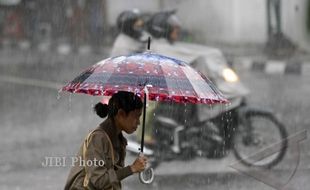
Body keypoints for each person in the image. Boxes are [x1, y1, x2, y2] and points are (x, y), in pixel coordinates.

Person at [64, 91, 148, 190]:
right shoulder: (98, 139)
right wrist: (131, 169)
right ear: (121, 114)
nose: (138, 122)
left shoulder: (120, 141)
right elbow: (99, 181)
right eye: (136, 116)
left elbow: (113, 181)